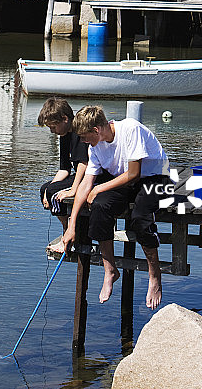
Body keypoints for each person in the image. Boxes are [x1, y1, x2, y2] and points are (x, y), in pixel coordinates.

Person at [62, 106, 170, 310]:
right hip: (125, 181)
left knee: (140, 217)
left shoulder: (130, 129)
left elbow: (134, 173)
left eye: (85, 137)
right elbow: (87, 183)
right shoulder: (95, 146)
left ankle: (154, 274)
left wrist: (99, 188)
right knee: (100, 207)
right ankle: (110, 269)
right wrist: (71, 225)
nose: (83, 142)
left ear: (96, 130)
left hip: (156, 178)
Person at [38, 98, 89, 249]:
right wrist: (48, 190)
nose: (52, 131)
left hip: (91, 175)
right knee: (45, 189)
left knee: (53, 191)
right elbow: (64, 169)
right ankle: (66, 229)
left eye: (53, 127)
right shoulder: (64, 135)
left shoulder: (79, 131)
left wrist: (73, 189)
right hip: (80, 174)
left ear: (65, 119)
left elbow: (83, 164)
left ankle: (69, 233)